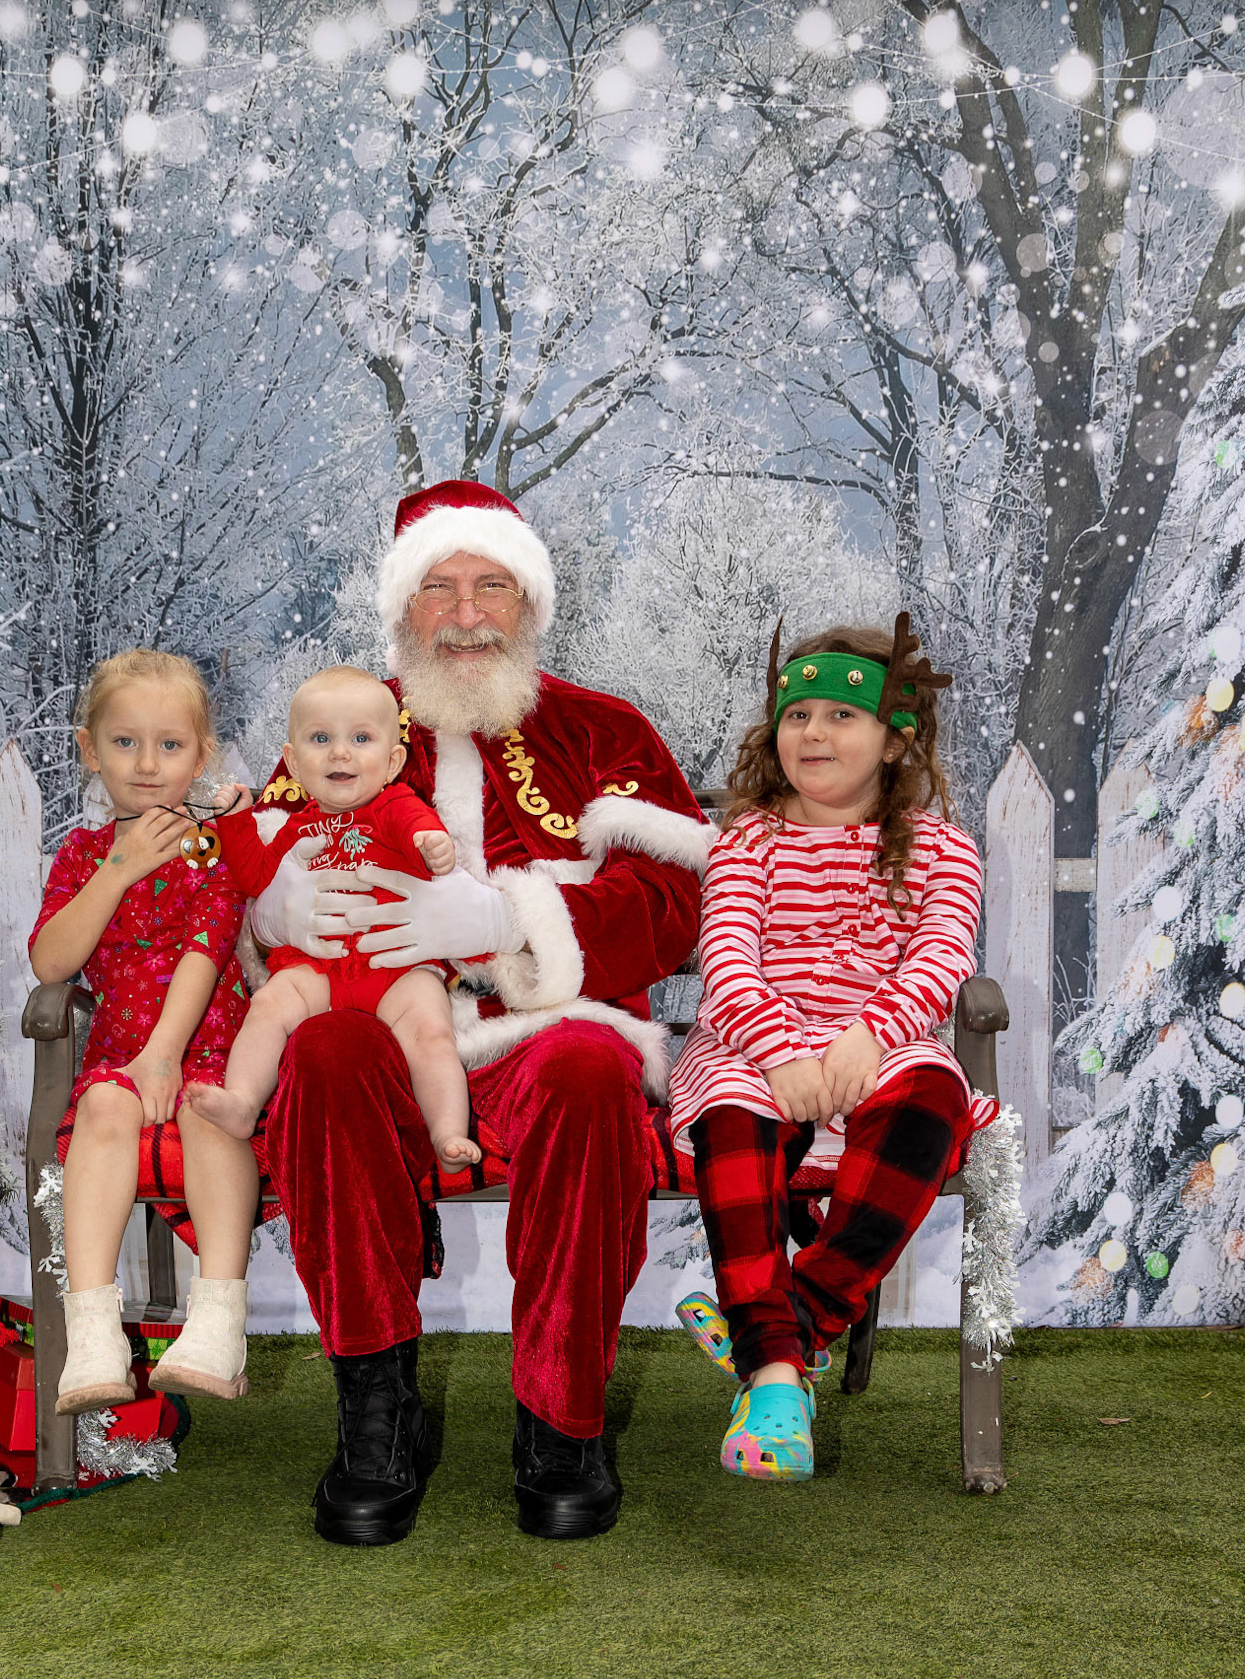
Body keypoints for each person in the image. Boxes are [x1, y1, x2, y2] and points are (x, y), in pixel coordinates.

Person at [245, 480, 713, 1547]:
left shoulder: (605, 730)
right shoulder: (342, 723)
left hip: (548, 1031)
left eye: (490, 586)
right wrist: (283, 907)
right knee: (323, 1052)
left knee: (589, 1070)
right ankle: (377, 1415)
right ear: (401, 608)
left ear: (529, 602)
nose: (465, 615)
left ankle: (562, 1421)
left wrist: (508, 918)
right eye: (437, 589)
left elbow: (677, 897)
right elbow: (261, 864)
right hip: (378, 1024)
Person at [667, 616, 998, 1482]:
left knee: (930, 1098)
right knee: (734, 1114)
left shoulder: (942, 848)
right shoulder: (748, 842)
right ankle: (781, 1386)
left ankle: (788, 1324)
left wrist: (869, 1035)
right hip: (753, 1044)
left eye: (841, 716)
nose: (813, 732)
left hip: (876, 1039)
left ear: (895, 740)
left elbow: (942, 956)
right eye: (798, 714)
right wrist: (780, 1053)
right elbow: (728, 961)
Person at [28, 649, 259, 1412]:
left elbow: (206, 949)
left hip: (212, 1050)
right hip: (120, 1058)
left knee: (207, 1108)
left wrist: (166, 1055)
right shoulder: (84, 854)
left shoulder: (216, 846)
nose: (148, 764)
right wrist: (118, 869)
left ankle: (218, 1323)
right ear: (90, 750)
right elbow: (51, 960)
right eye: (125, 742)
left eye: (171, 744)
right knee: (101, 1102)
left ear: (202, 753)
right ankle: (93, 1331)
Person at [184, 665, 481, 1168]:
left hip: (395, 967)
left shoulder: (396, 806)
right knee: (270, 1005)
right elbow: (257, 879)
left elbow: (417, 831)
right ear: (293, 763)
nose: (340, 753)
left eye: (360, 739)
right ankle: (242, 1101)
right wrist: (235, 823)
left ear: (392, 762)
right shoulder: (298, 827)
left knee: (431, 1032)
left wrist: (432, 844)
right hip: (316, 967)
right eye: (321, 739)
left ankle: (447, 1131)